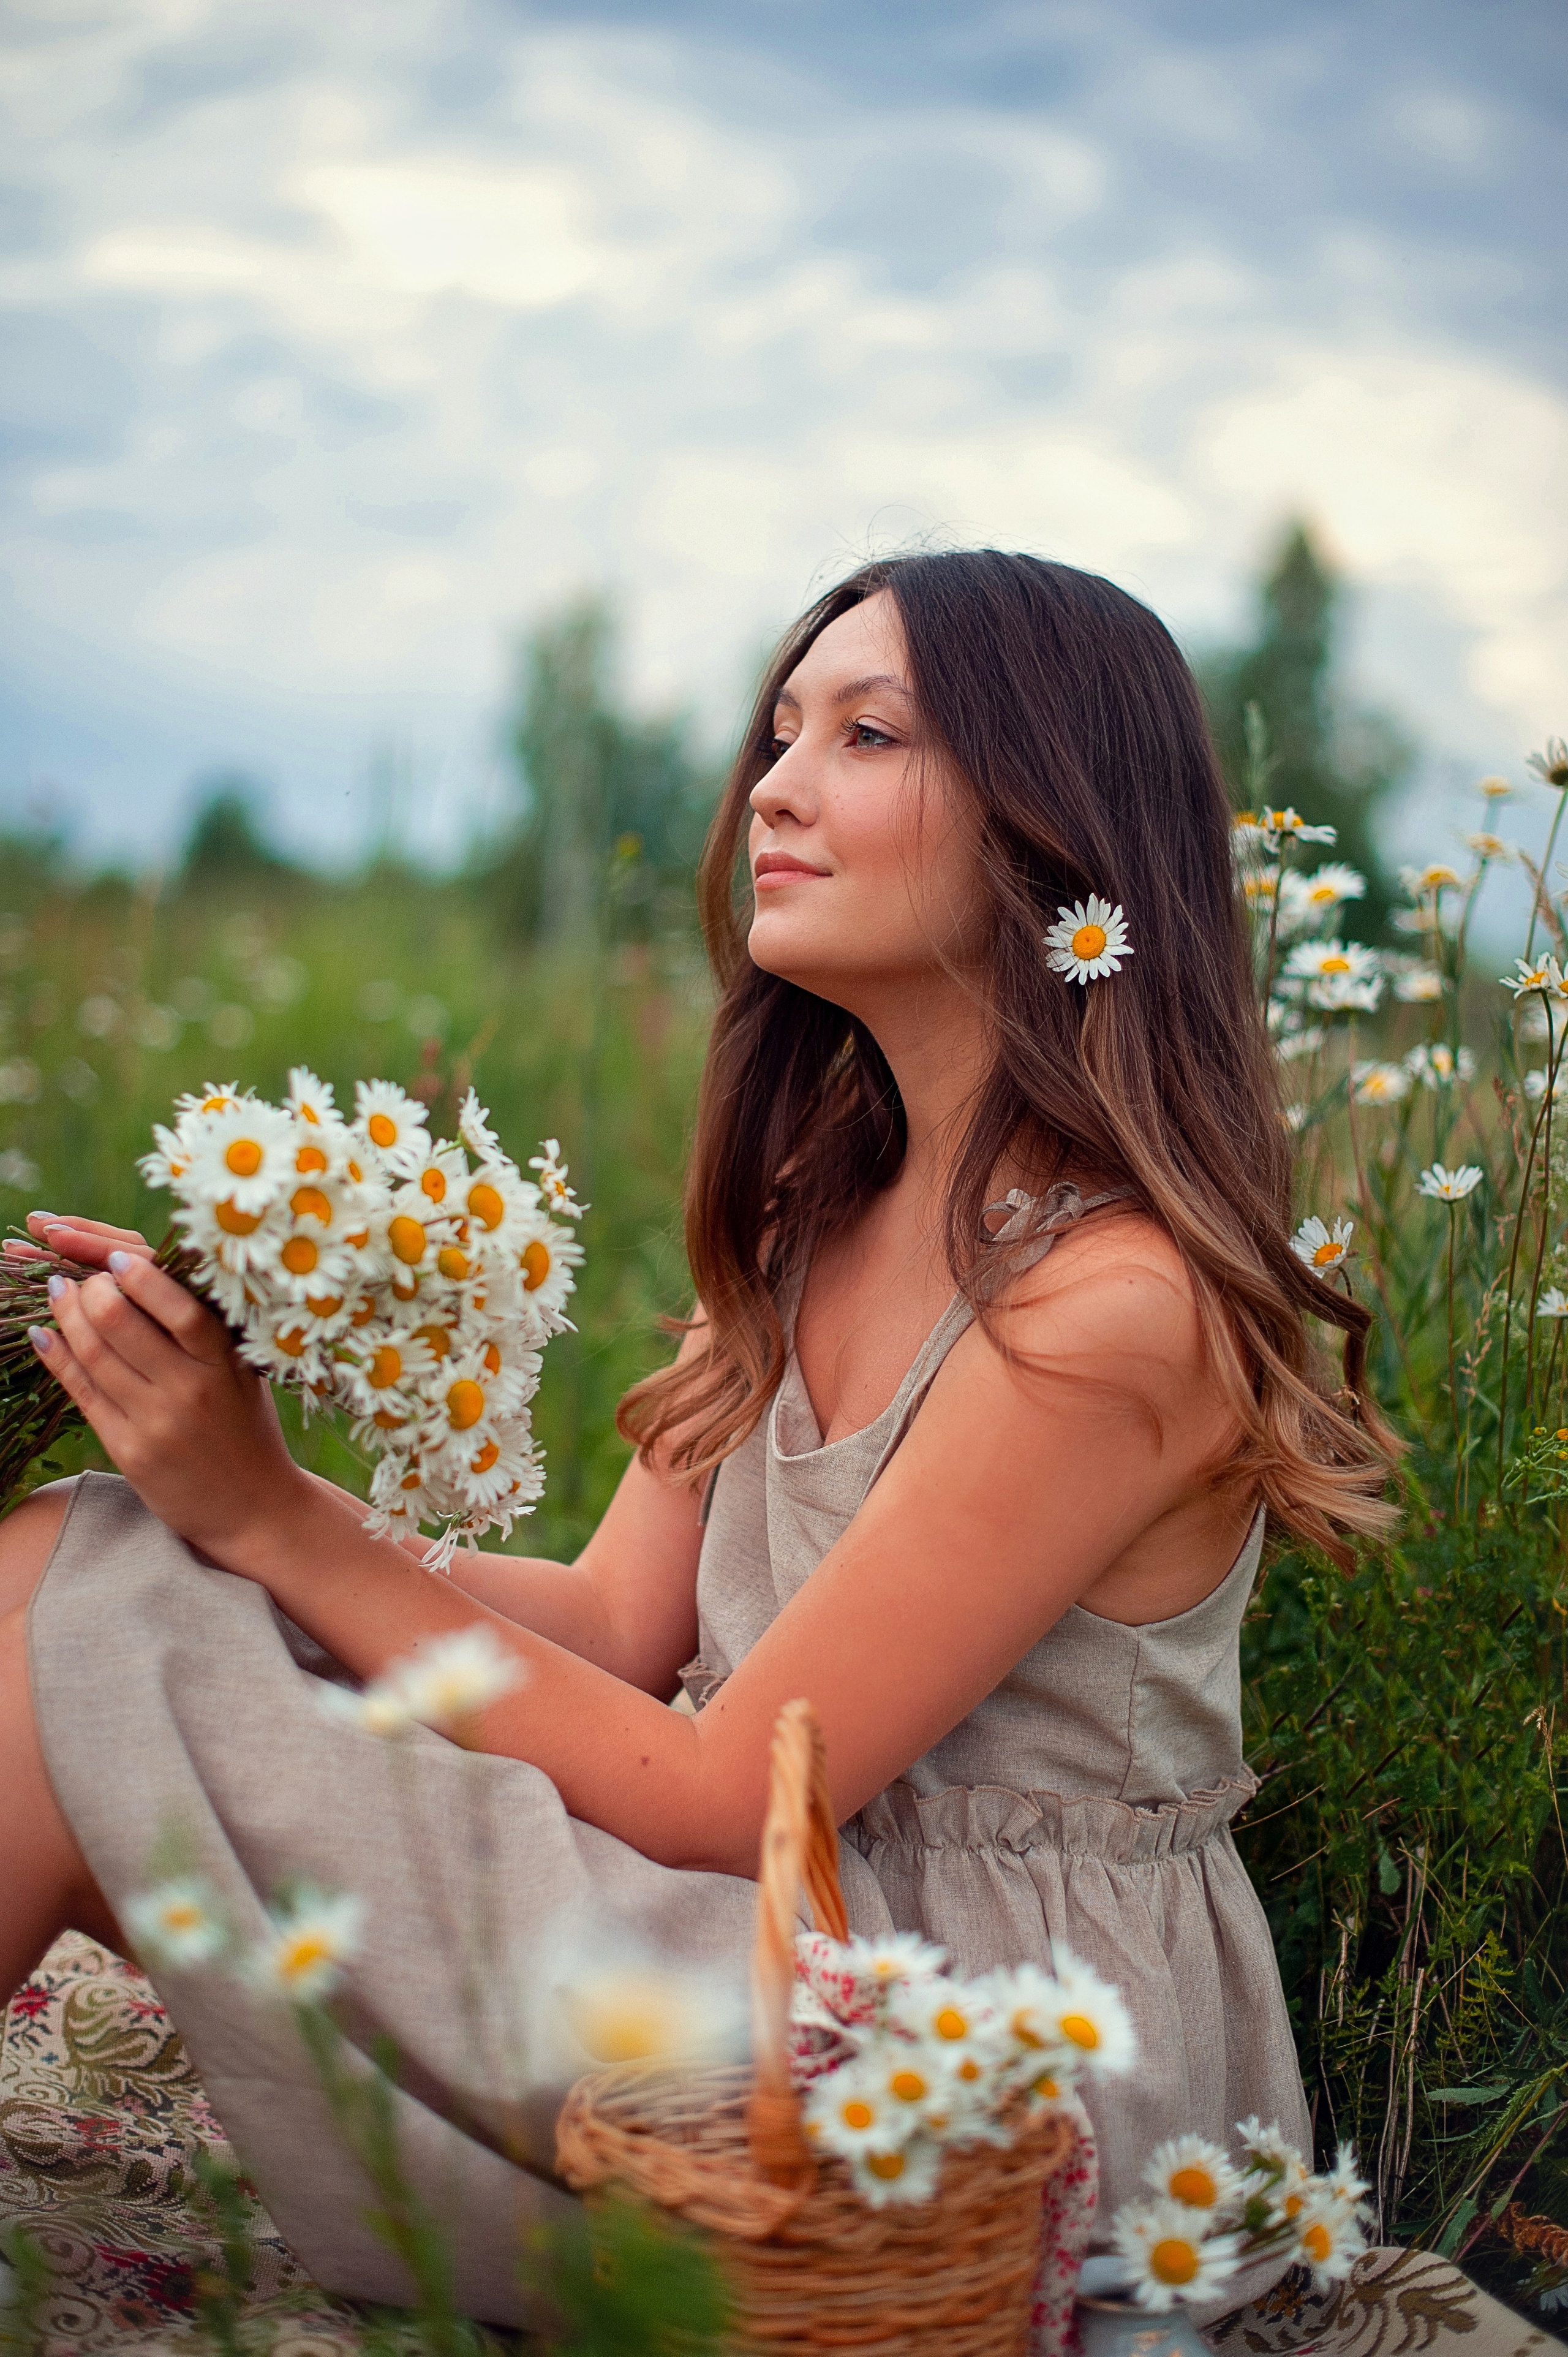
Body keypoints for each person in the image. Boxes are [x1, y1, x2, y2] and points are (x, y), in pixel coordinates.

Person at [0, 551, 1394, 2326]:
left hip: (970, 2062)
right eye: (780, 731)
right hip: (759, 1938)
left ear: (1056, 830)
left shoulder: (1109, 1309)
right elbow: (604, 1630)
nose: (775, 790)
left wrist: (278, 1525)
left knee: (101, 1625)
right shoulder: (820, 1205)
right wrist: (217, 1488)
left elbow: (734, 1793)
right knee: (99, 1540)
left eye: (867, 734)